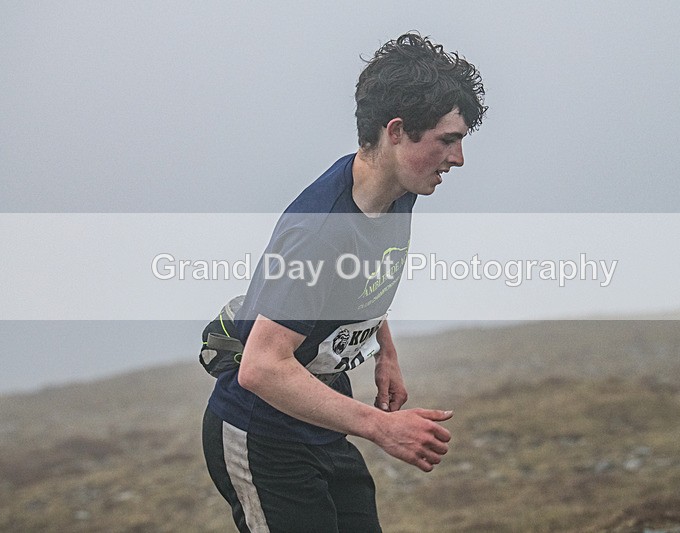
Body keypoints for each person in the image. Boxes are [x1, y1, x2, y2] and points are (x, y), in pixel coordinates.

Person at [202, 32, 486, 533]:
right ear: (396, 131)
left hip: (320, 420)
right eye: (448, 140)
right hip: (261, 433)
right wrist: (381, 428)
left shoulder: (397, 189)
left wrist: (385, 349)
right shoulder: (316, 232)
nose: (458, 159)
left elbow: (363, 275)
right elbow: (261, 367)